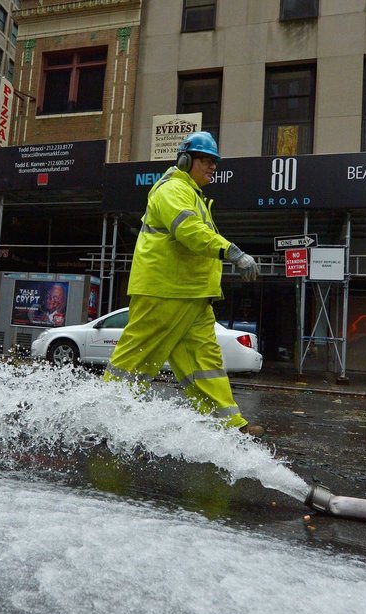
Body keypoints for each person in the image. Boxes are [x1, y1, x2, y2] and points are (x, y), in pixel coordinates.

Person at [103, 131, 263, 436]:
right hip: (164, 291)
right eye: (205, 160)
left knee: (206, 362)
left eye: (214, 162)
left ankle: (228, 425)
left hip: (192, 295)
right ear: (185, 160)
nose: (212, 167)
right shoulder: (172, 189)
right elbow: (189, 232)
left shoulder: (192, 194)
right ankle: (104, 417)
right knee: (136, 357)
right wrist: (232, 252)